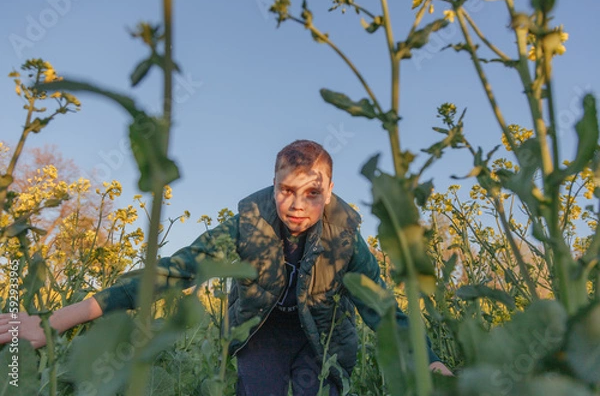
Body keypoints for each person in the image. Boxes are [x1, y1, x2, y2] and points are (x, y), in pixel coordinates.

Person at [0, 139, 451, 395]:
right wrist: (52, 321)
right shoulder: (246, 224)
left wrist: (430, 362)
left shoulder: (348, 238)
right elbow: (171, 272)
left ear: (329, 190)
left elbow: (385, 311)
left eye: (311, 193)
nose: (296, 205)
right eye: (285, 190)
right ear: (272, 184)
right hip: (260, 330)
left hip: (326, 334)